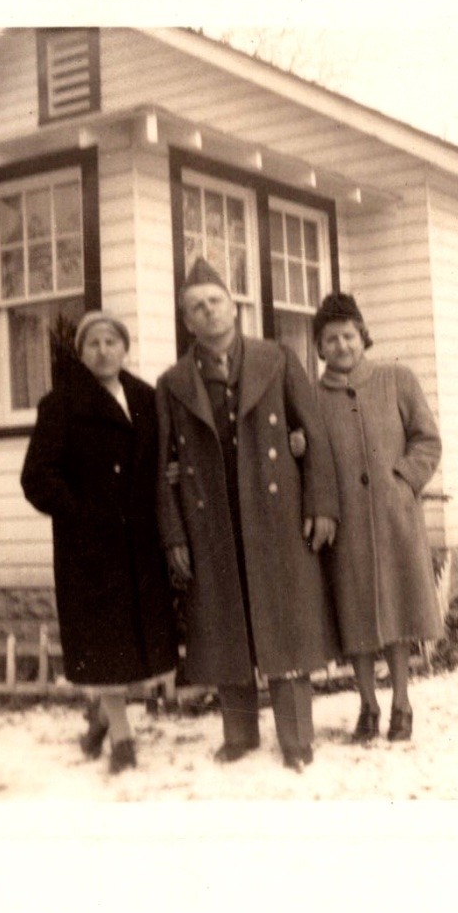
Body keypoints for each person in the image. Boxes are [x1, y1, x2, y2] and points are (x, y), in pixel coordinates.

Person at [156, 257, 340, 772]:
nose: (207, 311)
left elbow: (315, 435)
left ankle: (297, 738)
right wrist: (174, 534)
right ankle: (239, 734)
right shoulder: (173, 383)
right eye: (196, 307)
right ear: (187, 321)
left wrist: (322, 504)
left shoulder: (277, 358)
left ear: (234, 307)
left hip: (278, 516)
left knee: (286, 625)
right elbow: (163, 465)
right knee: (222, 624)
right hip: (211, 520)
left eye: (214, 301)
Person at [20, 309, 178, 774]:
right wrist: (82, 513)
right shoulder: (61, 404)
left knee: (135, 643)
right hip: (90, 548)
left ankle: (102, 719)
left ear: (125, 348)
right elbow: (37, 477)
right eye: (93, 343)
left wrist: (167, 474)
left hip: (141, 543)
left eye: (112, 342)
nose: (103, 350)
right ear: (81, 352)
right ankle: (123, 739)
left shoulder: (147, 399)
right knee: (106, 645)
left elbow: (162, 454)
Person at [311, 293, 443, 743]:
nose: (342, 345)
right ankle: (367, 704)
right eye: (331, 339)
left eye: (349, 335)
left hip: (394, 522)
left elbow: (426, 440)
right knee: (355, 618)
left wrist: (403, 481)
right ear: (320, 347)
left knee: (398, 613)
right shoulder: (312, 398)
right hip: (344, 527)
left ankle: (402, 702)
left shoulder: (397, 380)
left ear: (363, 336)